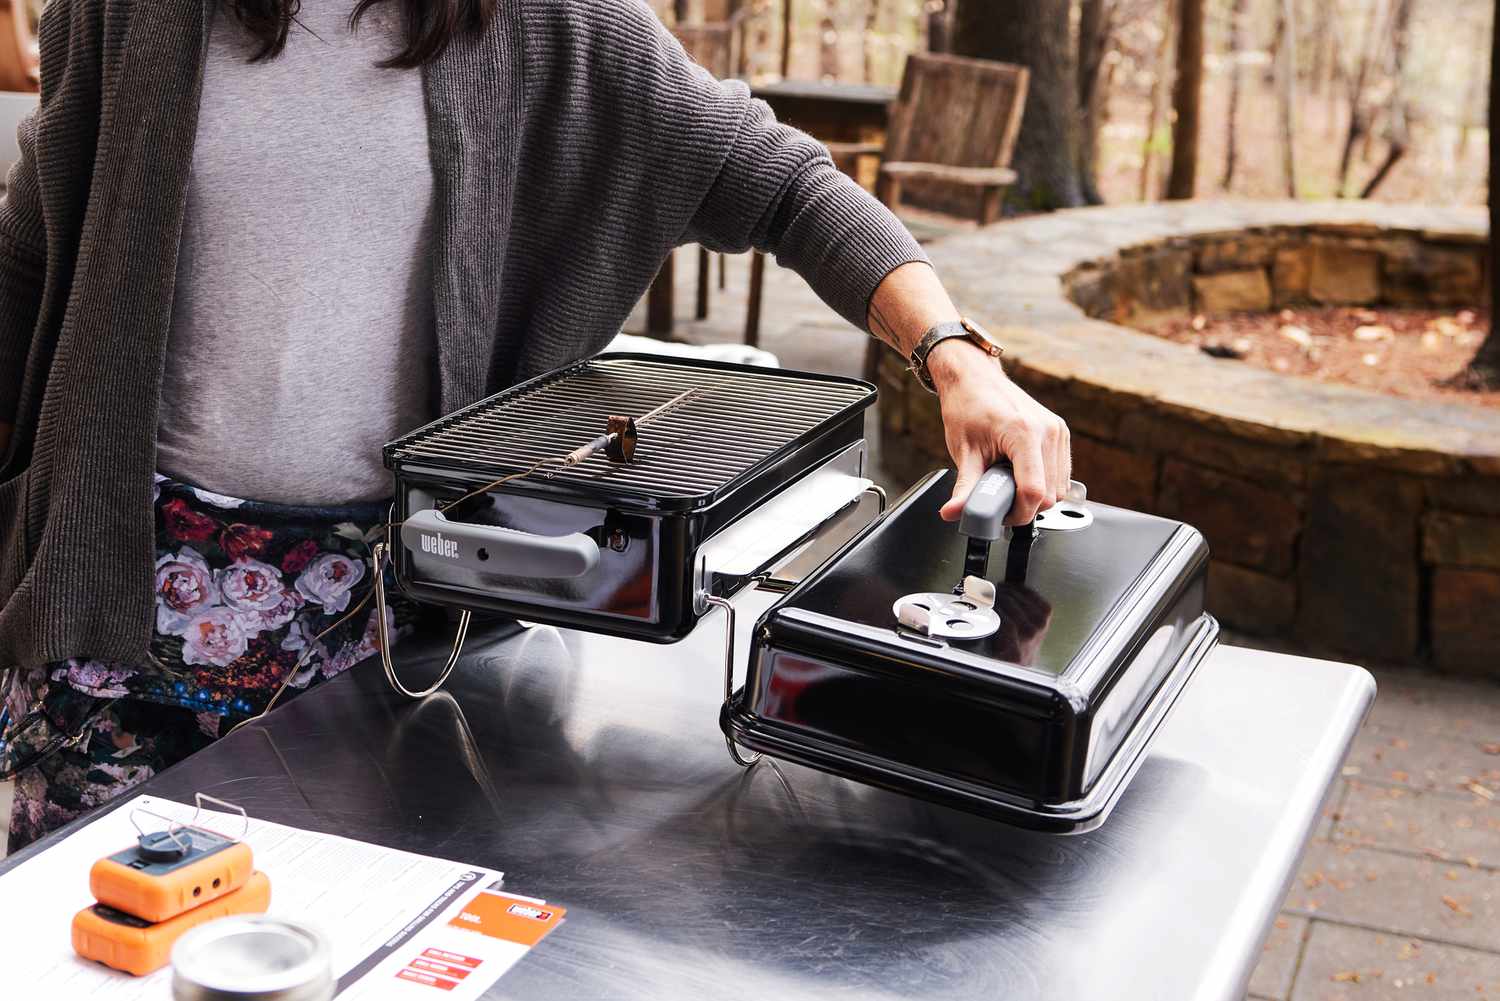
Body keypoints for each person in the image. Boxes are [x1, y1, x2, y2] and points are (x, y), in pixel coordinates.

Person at [0, 0, 1070, 853]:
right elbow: (29, 252)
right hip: (118, 598)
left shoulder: (548, 24)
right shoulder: (124, 14)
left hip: (385, 633)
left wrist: (955, 354)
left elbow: (779, 180)